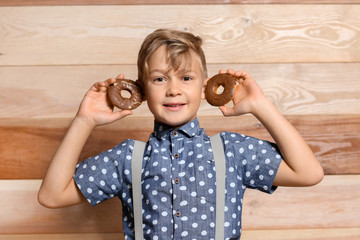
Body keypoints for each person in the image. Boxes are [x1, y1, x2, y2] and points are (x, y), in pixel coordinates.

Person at [38, 28, 324, 239]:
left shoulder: (232, 152)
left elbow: (309, 173)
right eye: (160, 79)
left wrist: (260, 106)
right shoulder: (128, 158)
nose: (173, 89)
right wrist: (84, 120)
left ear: (204, 87)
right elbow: (52, 196)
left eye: (186, 78)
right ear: (141, 90)